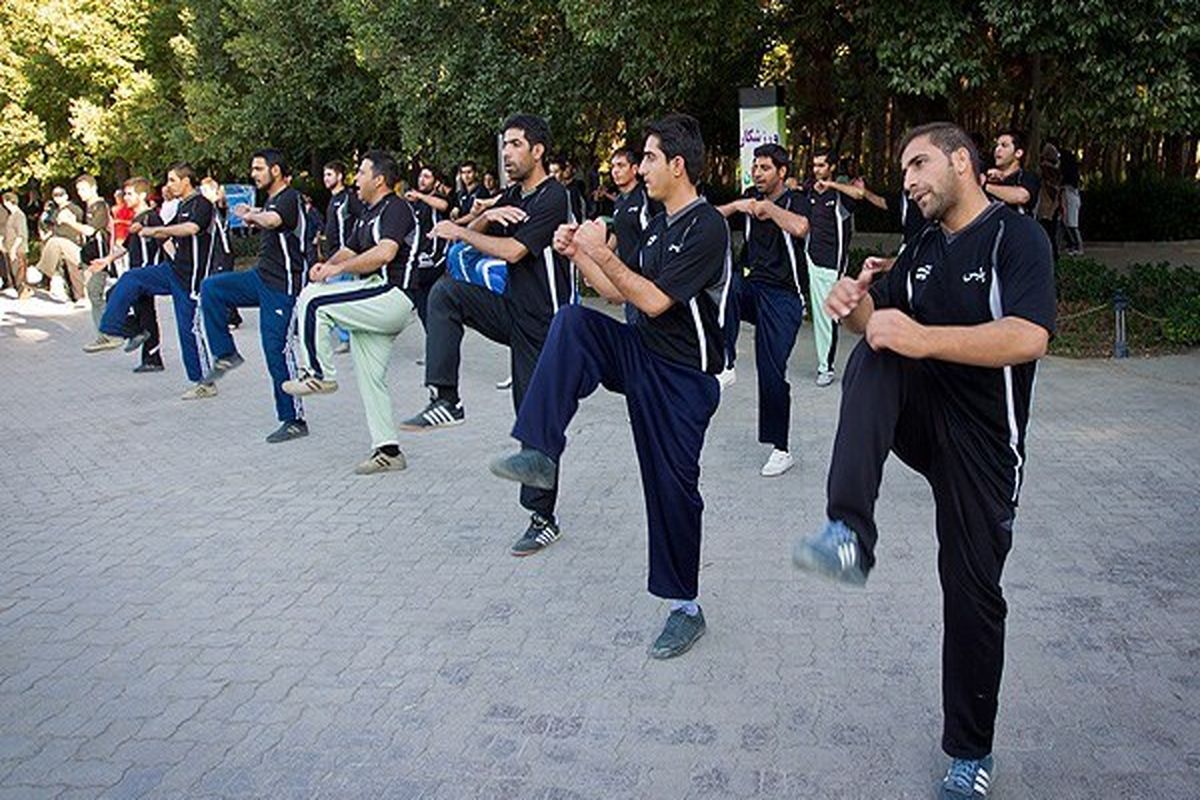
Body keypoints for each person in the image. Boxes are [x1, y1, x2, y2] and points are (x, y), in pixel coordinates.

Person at [791, 122, 1055, 800]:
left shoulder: (1015, 237)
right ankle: (849, 531)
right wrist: (855, 306)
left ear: (961, 162)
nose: (906, 180)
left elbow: (1029, 336)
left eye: (918, 164)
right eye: (903, 169)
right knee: (876, 352)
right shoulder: (923, 246)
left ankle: (970, 753)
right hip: (925, 418)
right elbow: (885, 319)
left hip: (986, 447)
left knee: (971, 596)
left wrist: (920, 335)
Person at [489, 113, 730, 659]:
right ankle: (539, 450)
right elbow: (617, 293)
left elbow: (652, 299)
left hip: (684, 380)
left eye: (647, 158)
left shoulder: (706, 226)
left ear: (677, 164)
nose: (638, 168)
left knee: (672, 492)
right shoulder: (657, 223)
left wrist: (600, 251)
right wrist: (580, 256)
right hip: (641, 353)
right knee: (573, 323)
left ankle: (684, 609)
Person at [399, 113, 573, 554]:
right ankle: (446, 399)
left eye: (515, 144)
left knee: (534, 419)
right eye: (504, 146)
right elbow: (467, 240)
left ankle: (542, 518)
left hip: (548, 326)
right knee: (445, 294)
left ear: (538, 151)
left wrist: (460, 228)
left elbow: (515, 251)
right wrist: (482, 214)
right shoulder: (513, 194)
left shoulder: (554, 197)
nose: (507, 153)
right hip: (513, 311)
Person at [283, 150, 419, 474]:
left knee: (314, 300)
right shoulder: (369, 213)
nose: (355, 179)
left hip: (393, 295)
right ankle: (388, 451)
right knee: (370, 378)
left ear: (379, 179)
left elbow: (386, 253)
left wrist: (334, 272)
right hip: (375, 295)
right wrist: (326, 266)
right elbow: (350, 249)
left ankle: (319, 374)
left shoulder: (397, 208)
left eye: (360, 173)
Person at [200, 148, 310, 443]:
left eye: (259, 168)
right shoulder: (272, 200)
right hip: (260, 278)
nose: (253, 174)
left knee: (277, 350)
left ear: (275, 170)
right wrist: (253, 215)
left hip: (282, 286)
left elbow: (275, 220)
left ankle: (294, 419)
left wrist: (254, 216)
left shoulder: (289, 197)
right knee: (211, 288)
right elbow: (268, 216)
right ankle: (226, 353)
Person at [716, 143, 810, 476]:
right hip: (754, 289)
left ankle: (781, 449)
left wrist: (769, 210)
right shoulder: (748, 197)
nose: (757, 173)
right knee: (726, 284)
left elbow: (801, 227)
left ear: (782, 172)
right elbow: (712, 217)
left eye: (765, 168)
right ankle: (726, 363)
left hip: (785, 299)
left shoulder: (796, 200)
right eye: (755, 167)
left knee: (771, 371)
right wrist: (739, 205)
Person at [94, 163, 216, 398]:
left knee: (187, 330)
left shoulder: (201, 204)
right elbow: (168, 230)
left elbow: (191, 228)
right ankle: (112, 331)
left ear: (186, 181)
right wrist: (144, 230)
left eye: (172, 180)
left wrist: (152, 231)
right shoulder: (183, 205)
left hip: (191, 278)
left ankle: (205, 383)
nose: (168, 185)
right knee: (131, 279)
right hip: (172, 270)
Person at [87, 177, 165, 372]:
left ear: (142, 195)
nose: (126, 197)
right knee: (143, 312)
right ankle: (150, 354)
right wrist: (106, 261)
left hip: (146, 275)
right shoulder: (137, 220)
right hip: (136, 274)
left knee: (117, 297)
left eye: (130, 194)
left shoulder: (151, 218)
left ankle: (143, 344)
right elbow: (126, 247)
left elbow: (165, 243)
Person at [802, 148, 865, 387]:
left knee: (828, 315)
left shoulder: (841, 196)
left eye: (821, 165)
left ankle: (826, 367)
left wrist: (832, 186)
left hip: (832, 264)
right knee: (821, 315)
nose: (817, 170)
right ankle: (823, 366)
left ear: (831, 167)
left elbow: (859, 194)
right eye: (815, 165)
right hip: (812, 260)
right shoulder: (811, 192)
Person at [607, 147, 663, 323]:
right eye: (613, 166)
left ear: (634, 169)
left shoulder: (647, 196)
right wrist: (600, 261)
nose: (615, 171)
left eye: (621, 165)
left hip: (648, 278)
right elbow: (617, 234)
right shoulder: (619, 203)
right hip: (628, 277)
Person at [402, 166, 451, 325]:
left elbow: (444, 205)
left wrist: (420, 196)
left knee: (429, 299)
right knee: (424, 307)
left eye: (427, 177)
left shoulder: (435, 198)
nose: (422, 180)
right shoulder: (416, 202)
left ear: (436, 182)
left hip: (435, 256)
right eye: (421, 176)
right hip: (420, 255)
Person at [34, 186, 85, 302]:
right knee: (64, 270)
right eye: (55, 195)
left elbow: (79, 221)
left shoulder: (73, 208)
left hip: (70, 239)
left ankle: (80, 296)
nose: (58, 198)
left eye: (60, 195)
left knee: (74, 269)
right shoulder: (56, 211)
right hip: (58, 240)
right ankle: (72, 295)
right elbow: (52, 226)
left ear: (66, 196)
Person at [985, 131, 1040, 216]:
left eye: (1004, 145)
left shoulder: (1027, 177)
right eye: (996, 146)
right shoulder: (988, 175)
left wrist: (986, 186)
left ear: (1018, 153)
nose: (997, 150)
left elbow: (1022, 196)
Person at [2, 193, 31, 299]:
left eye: (5, 202)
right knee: (14, 271)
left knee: (19, 271)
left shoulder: (19, 216)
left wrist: (14, 249)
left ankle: (24, 291)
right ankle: (21, 291)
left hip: (18, 249)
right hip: (10, 247)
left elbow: (21, 235)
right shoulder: (12, 215)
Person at [1058, 146, 1083, 255]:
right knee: (1067, 223)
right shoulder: (1073, 174)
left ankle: (1078, 246)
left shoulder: (1069, 178)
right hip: (1069, 197)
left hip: (1070, 198)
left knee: (1072, 224)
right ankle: (1072, 244)